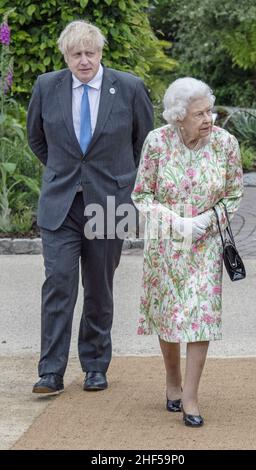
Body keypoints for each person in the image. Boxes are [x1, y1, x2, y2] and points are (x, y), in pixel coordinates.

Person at [27, 20, 153, 395]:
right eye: (76, 54)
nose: (84, 61)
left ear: (101, 53)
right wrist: (66, 172)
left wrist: (121, 181)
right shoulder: (46, 87)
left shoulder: (128, 88)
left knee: (99, 287)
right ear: (65, 55)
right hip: (60, 202)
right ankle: (50, 371)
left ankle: (96, 365)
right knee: (58, 285)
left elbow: (144, 145)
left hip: (111, 202)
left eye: (90, 53)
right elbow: (36, 139)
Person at [131, 77, 243, 427]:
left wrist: (207, 220)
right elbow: (142, 195)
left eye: (210, 110)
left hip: (207, 244)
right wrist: (175, 222)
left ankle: (191, 397)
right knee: (169, 314)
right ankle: (172, 381)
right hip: (167, 244)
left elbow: (234, 195)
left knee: (201, 316)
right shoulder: (157, 142)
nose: (208, 119)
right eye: (199, 114)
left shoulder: (226, 144)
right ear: (179, 117)